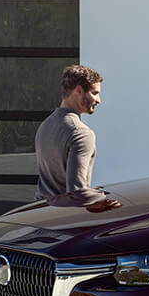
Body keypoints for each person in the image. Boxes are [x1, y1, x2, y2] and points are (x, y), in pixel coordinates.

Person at [35, 65, 120, 213]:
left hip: (40, 212)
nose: (98, 100)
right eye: (95, 93)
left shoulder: (46, 125)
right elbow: (78, 192)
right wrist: (112, 198)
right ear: (79, 90)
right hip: (66, 219)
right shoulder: (81, 133)